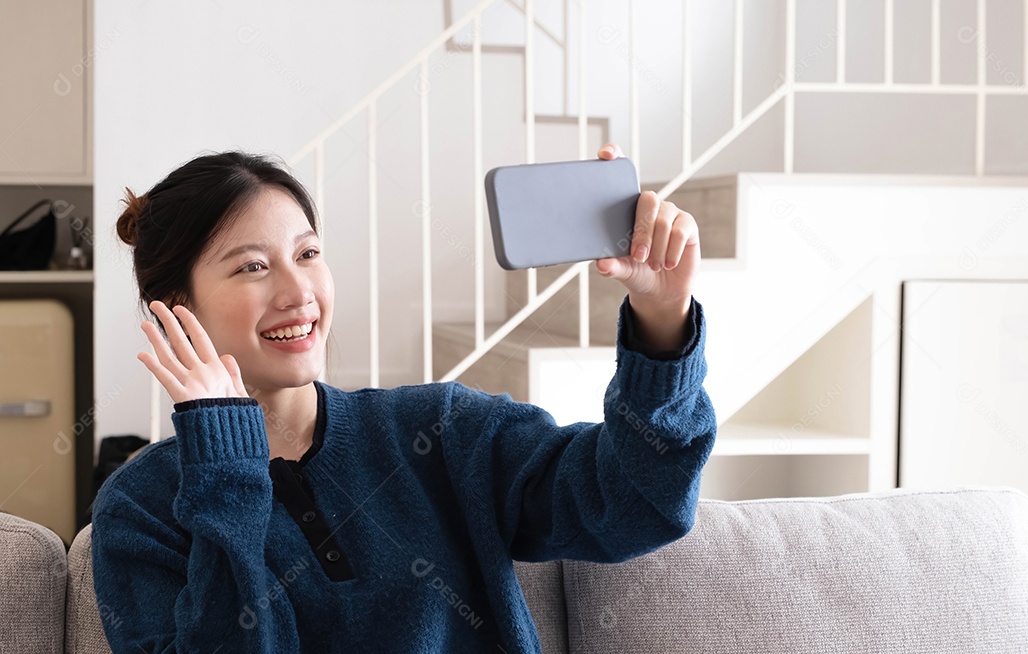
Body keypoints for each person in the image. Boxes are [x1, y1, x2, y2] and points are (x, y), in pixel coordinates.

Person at [91, 143, 717, 653]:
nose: (298, 291)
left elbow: (635, 504)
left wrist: (662, 319)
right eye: (253, 266)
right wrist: (225, 463)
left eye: (308, 253)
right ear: (174, 311)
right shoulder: (141, 508)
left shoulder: (440, 430)